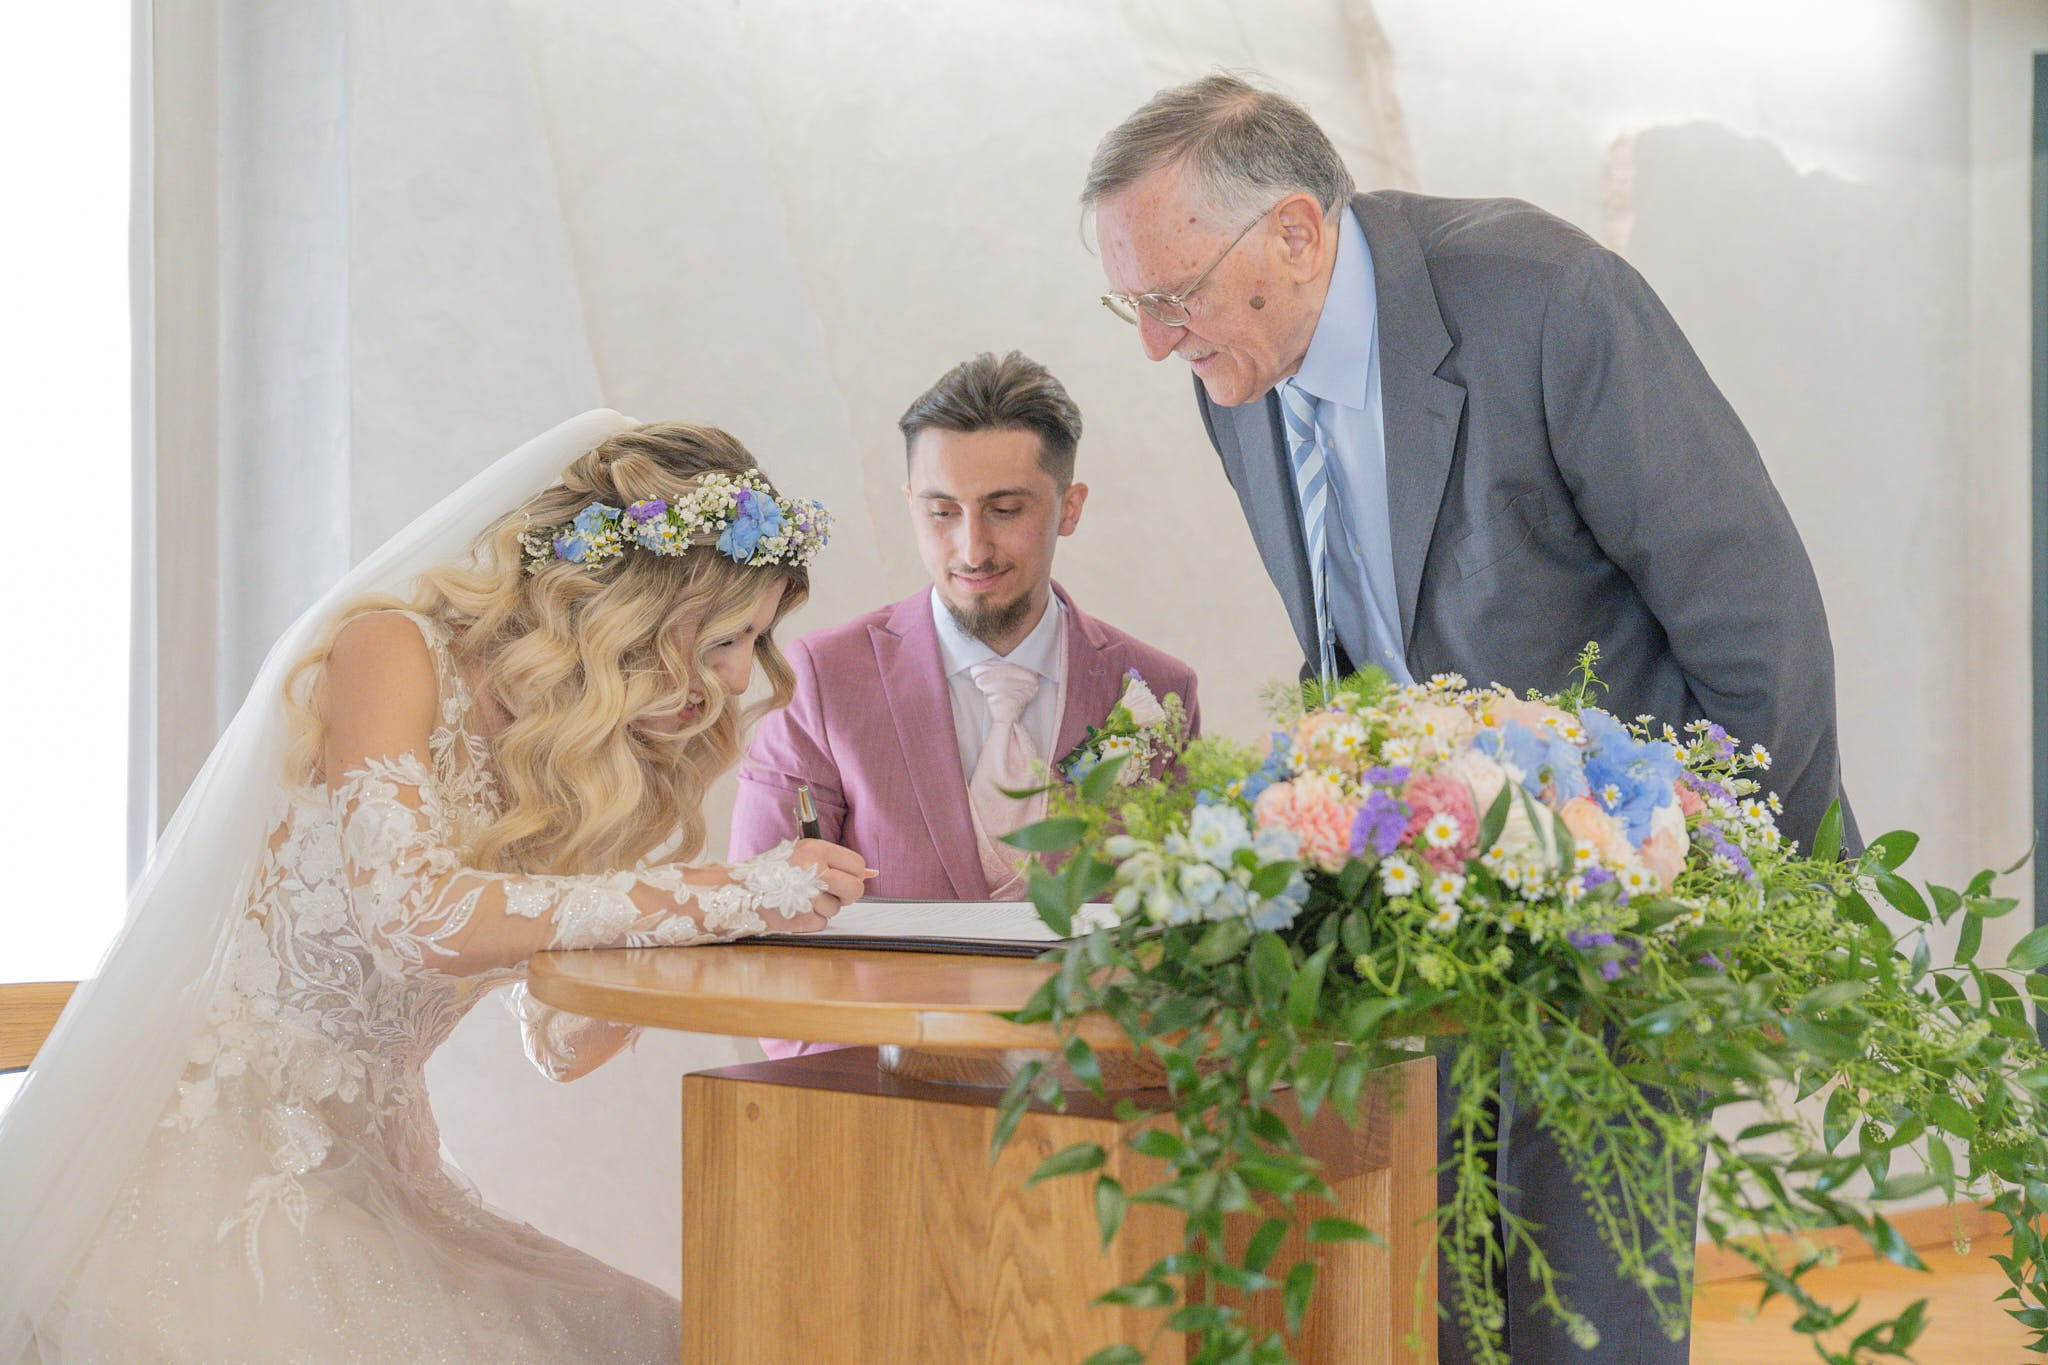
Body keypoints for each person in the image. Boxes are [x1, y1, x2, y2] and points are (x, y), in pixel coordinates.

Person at [1081, 74, 1856, 1363]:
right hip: (1419, 912)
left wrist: (1751, 902)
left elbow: (1753, 613)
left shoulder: (1545, 301)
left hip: (1621, 898)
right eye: (1133, 305)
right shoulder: (1239, 370)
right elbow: (1355, 648)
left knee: (1581, 1307)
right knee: (1419, 1295)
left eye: (1173, 296)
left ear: (1292, 230)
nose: (1158, 341)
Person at [0, 414, 868, 1361]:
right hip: (208, 1163)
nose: (743, 675)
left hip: (379, 1169)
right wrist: (718, 896)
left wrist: (706, 928)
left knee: (649, 1334)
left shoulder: (580, 761)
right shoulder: (388, 653)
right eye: (726, 637)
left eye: (756, 641)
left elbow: (560, 1045)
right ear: (637, 597)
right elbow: (414, 915)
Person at [730, 350, 1200, 905]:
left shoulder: (1160, 690)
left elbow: (1182, 924)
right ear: (911, 506)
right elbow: (757, 912)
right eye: (942, 512)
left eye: (1004, 510)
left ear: (1068, 509)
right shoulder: (820, 678)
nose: (972, 549)